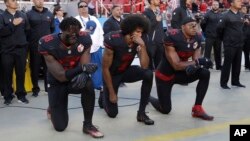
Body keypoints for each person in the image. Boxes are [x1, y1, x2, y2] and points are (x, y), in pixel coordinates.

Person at [38, 17, 104, 138]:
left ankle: (88, 125)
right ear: (61, 31)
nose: (74, 36)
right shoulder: (47, 43)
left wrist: (84, 73)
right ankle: (52, 107)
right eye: (70, 33)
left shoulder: (84, 38)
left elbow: (85, 63)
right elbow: (61, 76)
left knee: (88, 83)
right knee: (60, 127)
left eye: (76, 33)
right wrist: (82, 69)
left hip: (73, 78)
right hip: (57, 81)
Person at [149, 17, 214, 121]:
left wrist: (196, 65)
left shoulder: (197, 36)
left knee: (205, 73)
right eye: (191, 25)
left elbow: (196, 60)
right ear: (183, 27)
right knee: (165, 109)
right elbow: (176, 65)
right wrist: (198, 62)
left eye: (195, 25)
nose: (194, 28)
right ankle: (149, 98)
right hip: (165, 75)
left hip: (180, 74)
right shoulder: (172, 37)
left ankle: (197, 108)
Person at [100, 14, 154, 125]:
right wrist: (111, 93)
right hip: (111, 74)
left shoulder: (141, 39)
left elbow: (144, 66)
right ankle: (103, 96)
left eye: (141, 32)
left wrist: (143, 46)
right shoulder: (113, 39)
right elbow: (105, 68)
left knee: (148, 74)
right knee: (112, 114)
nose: (140, 35)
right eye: (137, 32)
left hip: (125, 71)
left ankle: (141, 113)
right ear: (129, 30)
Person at [0, 0, 30, 105]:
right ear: (7, 3)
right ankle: (8, 96)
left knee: (21, 73)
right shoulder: (2, 16)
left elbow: (27, 31)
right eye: (13, 0)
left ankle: (21, 95)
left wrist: (25, 45)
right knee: (7, 74)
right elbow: (1, 32)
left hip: (21, 50)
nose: (16, 2)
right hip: (7, 51)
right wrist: (12, 24)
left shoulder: (23, 15)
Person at [26, 0, 55, 97]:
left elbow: (52, 29)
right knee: (34, 68)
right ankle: (35, 89)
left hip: (47, 47)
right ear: (34, 1)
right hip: (34, 46)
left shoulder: (50, 14)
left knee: (49, 68)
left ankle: (48, 88)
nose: (40, 1)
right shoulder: (28, 14)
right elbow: (27, 31)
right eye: (37, 0)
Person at [217, 0, 246, 89]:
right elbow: (219, 29)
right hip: (229, 44)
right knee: (227, 64)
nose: (240, 3)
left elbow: (242, 28)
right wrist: (225, 39)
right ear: (232, 3)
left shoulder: (241, 15)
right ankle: (224, 83)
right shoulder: (225, 15)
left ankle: (235, 81)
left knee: (237, 64)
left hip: (239, 43)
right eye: (238, 1)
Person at [143, 0, 165, 70]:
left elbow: (160, 27)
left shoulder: (159, 12)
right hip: (151, 42)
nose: (159, 1)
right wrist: (155, 20)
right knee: (150, 67)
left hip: (160, 42)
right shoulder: (146, 12)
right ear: (151, 1)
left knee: (160, 66)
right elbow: (145, 27)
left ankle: (158, 80)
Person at [201, 0, 222, 70]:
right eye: (214, 5)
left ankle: (218, 66)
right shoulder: (207, 14)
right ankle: (206, 66)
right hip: (209, 36)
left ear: (218, 6)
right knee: (207, 52)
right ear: (212, 6)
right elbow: (202, 24)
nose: (215, 6)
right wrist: (206, 31)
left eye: (217, 5)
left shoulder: (221, 14)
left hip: (218, 36)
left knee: (218, 52)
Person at [241, 5, 250, 70]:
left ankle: (248, 65)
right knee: (244, 52)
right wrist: (242, 22)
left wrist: (248, 22)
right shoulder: (238, 16)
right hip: (241, 37)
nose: (244, 10)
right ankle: (246, 65)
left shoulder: (248, 16)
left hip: (248, 36)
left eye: (245, 9)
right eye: (243, 8)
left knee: (248, 51)